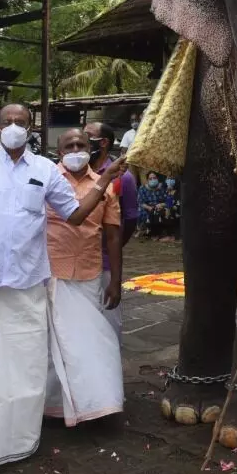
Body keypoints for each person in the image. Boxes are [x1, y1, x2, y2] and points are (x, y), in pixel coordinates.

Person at [0, 103, 126, 471]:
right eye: (8, 122)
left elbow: (75, 215)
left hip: (30, 281)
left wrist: (104, 182)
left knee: (27, 368)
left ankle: (20, 441)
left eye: (21, 122)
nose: (14, 127)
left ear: (31, 129)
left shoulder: (44, 170)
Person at [44, 129, 125, 425]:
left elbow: (113, 237)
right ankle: (53, 406)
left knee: (94, 341)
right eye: (69, 145)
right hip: (51, 272)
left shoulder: (108, 186)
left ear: (91, 148)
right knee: (55, 345)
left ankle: (97, 404)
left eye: (81, 144)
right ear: (59, 150)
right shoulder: (47, 178)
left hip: (90, 272)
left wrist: (115, 280)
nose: (76, 148)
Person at [85, 121, 138, 336]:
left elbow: (131, 218)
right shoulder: (77, 173)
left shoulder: (122, 178)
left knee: (107, 323)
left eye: (88, 137)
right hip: (77, 261)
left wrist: (112, 245)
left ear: (103, 142)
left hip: (106, 261)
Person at [138, 173, 174, 241]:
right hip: (148, 207)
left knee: (163, 212)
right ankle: (152, 233)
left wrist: (162, 205)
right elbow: (141, 202)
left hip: (160, 206)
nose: (153, 180)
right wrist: (149, 207)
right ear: (147, 180)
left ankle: (164, 234)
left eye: (154, 178)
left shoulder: (163, 187)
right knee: (150, 213)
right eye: (150, 178)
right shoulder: (142, 188)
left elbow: (169, 200)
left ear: (157, 179)